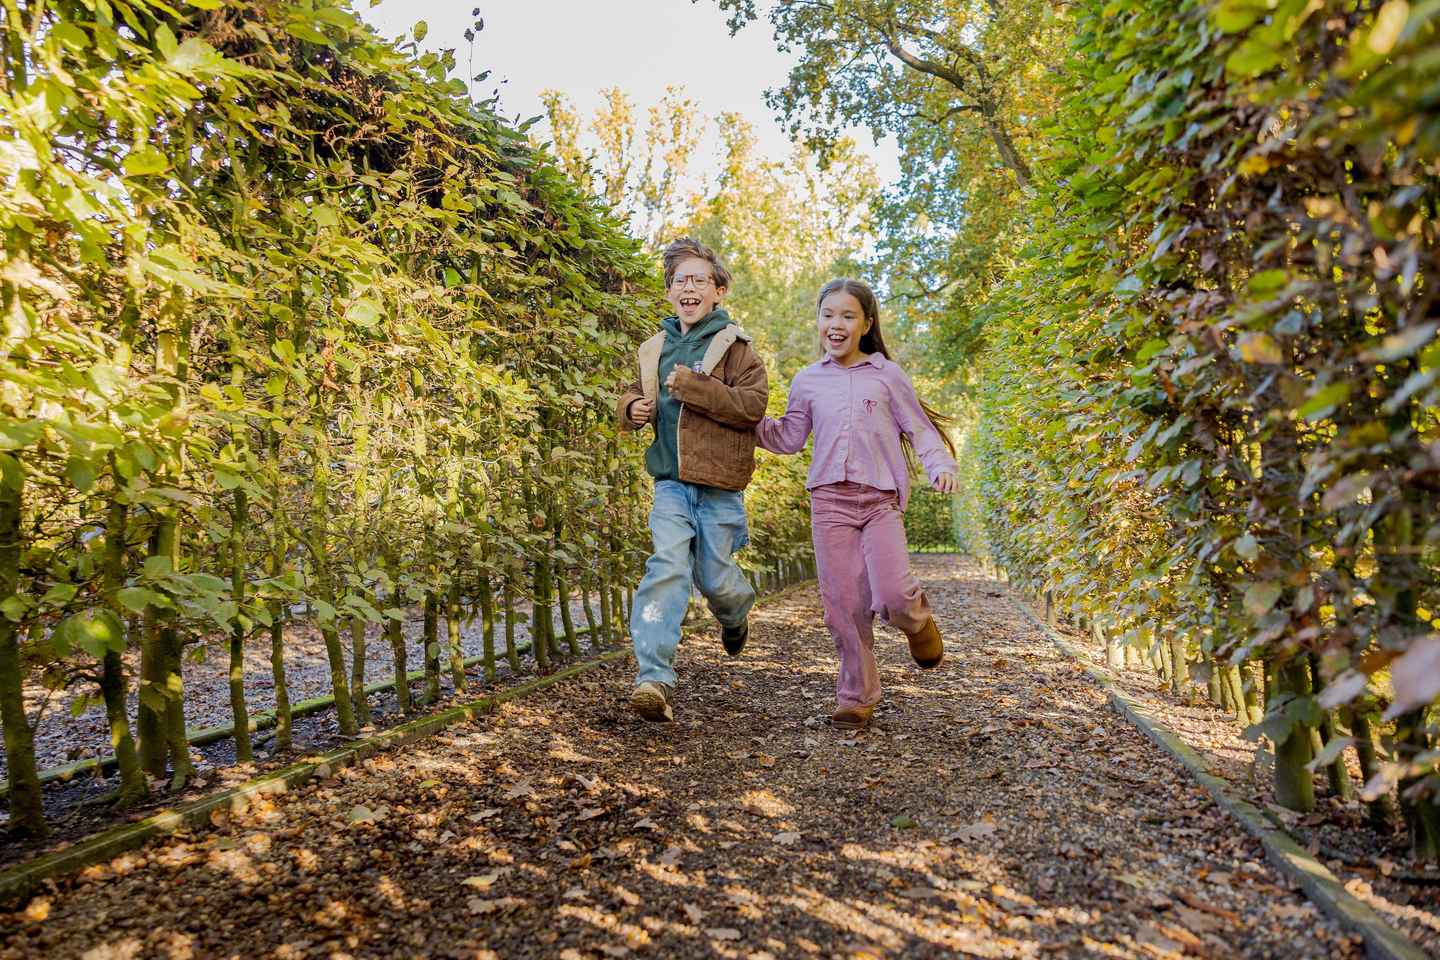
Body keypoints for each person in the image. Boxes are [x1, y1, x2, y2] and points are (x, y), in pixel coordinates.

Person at [756, 278, 957, 731]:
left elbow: (920, 429)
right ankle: (856, 697)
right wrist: (743, 420)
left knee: (893, 594)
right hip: (829, 502)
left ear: (866, 324)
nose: (836, 324)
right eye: (828, 315)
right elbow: (788, 438)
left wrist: (940, 464)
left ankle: (918, 623)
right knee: (843, 606)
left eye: (848, 316)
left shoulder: (887, 376)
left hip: (880, 501)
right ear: (819, 321)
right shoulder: (807, 380)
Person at [615, 237, 769, 722]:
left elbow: (753, 407)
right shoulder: (653, 348)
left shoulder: (737, 349)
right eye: (681, 280)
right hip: (670, 484)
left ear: (719, 291)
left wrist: (698, 388)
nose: (689, 286)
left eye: (700, 279)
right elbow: (632, 395)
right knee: (666, 566)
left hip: (721, 486)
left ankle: (734, 612)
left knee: (716, 578)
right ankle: (653, 677)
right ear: (669, 293)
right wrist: (631, 408)